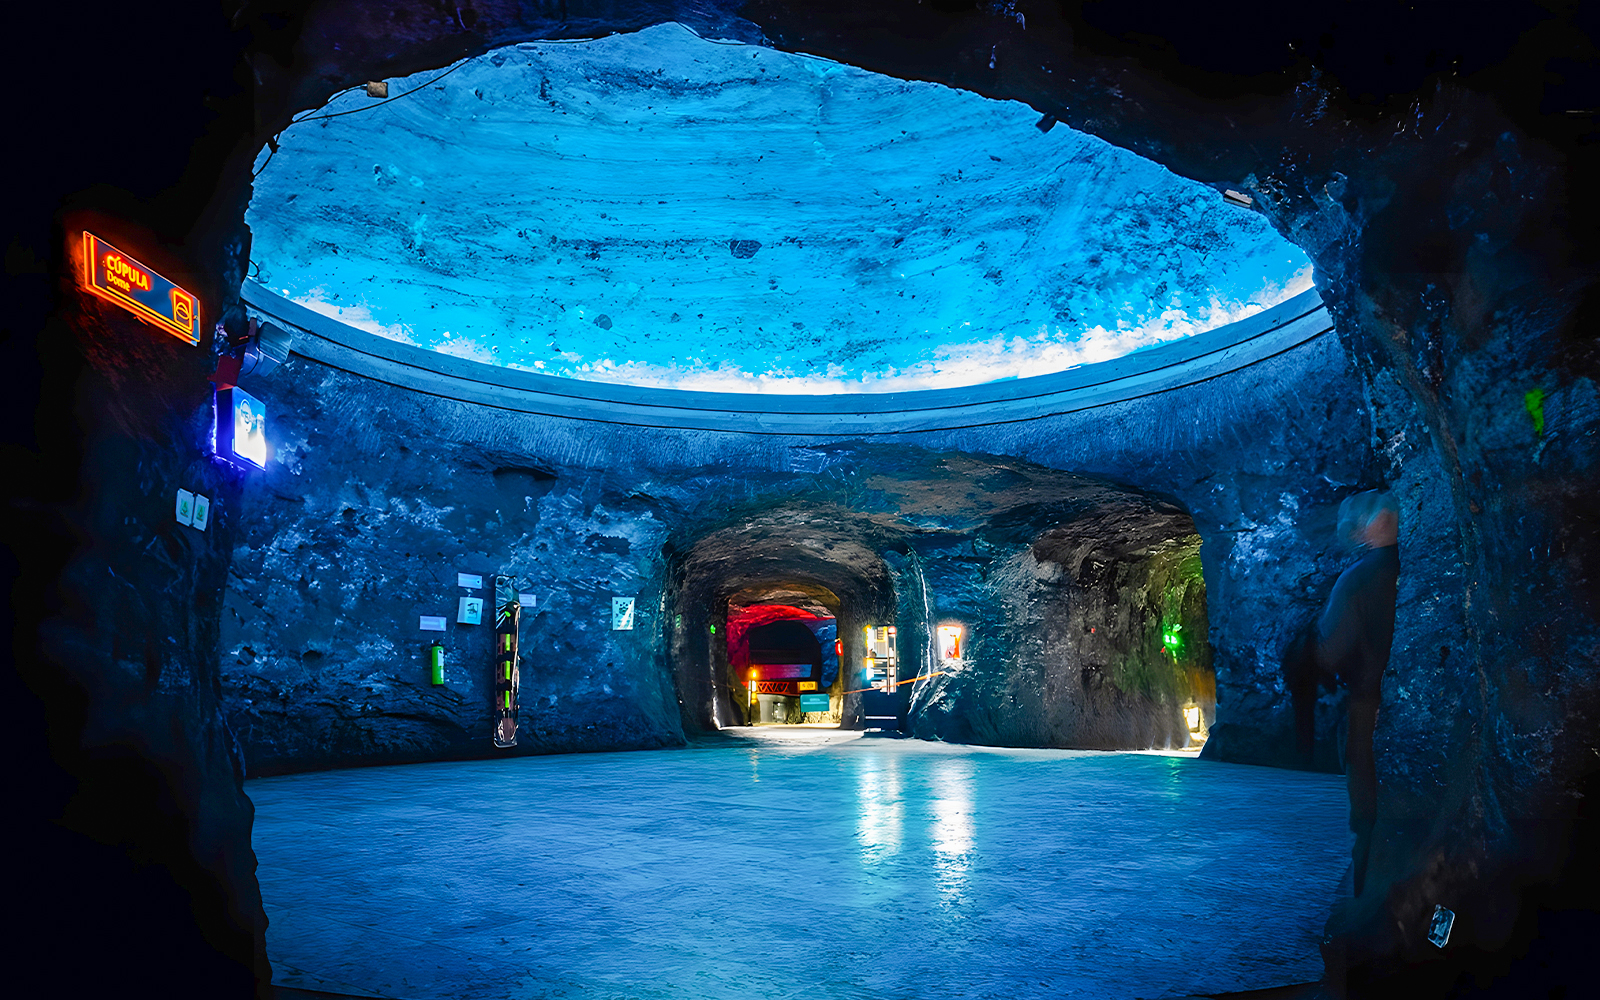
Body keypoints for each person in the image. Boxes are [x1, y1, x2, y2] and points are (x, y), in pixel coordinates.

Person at [1283, 490, 1400, 897]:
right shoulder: (1416, 564)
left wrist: (1301, 652)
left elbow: (1330, 652)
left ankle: (1369, 911)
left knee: (1369, 819)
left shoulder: (1358, 580)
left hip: (1370, 710)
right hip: (1411, 708)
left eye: (1364, 522)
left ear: (1379, 521)